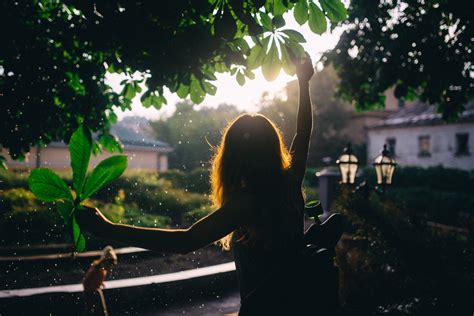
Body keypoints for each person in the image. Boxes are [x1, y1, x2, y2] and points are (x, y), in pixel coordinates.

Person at [77, 53, 341, 315]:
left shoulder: (246, 204)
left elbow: (186, 241)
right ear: (273, 148)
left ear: (233, 155)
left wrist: (108, 229)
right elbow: (303, 132)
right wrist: (303, 82)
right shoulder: (289, 182)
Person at [82, 246, 118, 316]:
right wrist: (92, 288)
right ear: (106, 262)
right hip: (91, 291)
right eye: (110, 264)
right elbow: (86, 282)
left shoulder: (103, 270)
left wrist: (100, 283)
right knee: (93, 310)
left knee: (100, 310)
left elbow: (96, 280)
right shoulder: (98, 270)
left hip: (96, 290)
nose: (111, 267)